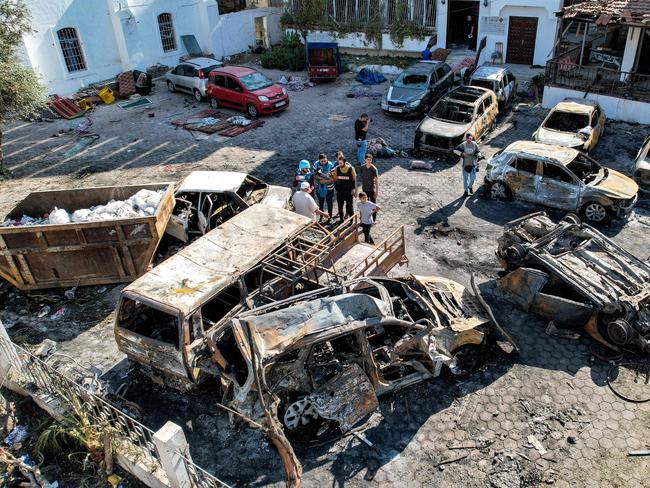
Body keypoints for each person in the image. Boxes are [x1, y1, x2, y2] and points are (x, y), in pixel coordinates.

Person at [331, 153, 357, 222]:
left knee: (350, 207)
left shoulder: (351, 169)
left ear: (345, 162)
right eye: (339, 163)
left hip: (349, 192)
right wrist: (331, 174)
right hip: (340, 191)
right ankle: (341, 220)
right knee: (340, 207)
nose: (340, 164)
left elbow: (355, 180)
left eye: (341, 163)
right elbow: (334, 179)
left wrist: (355, 191)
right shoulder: (337, 169)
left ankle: (351, 221)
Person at [312, 153, 335, 223]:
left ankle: (330, 217)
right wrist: (319, 178)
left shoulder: (331, 165)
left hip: (329, 188)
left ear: (327, 159)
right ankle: (321, 217)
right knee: (321, 203)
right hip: (319, 187)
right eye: (322, 161)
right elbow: (314, 175)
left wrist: (324, 180)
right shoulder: (316, 164)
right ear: (319, 160)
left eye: (325, 161)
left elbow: (333, 179)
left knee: (329, 203)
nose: (323, 163)